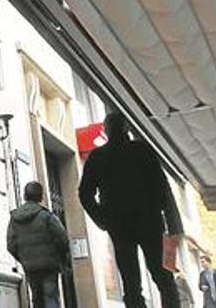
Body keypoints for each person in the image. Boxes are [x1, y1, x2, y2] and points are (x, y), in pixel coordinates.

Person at [78, 111, 184, 308]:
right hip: (150, 222)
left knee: (131, 283)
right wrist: (174, 224)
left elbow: (85, 194)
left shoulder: (98, 157)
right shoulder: (143, 151)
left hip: (119, 226)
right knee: (163, 278)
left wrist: (103, 220)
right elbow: (163, 189)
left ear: (106, 131)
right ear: (126, 128)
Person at [6, 181, 69, 308]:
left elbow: (11, 245)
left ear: (25, 195)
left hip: (30, 267)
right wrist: (59, 256)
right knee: (51, 298)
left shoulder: (15, 218)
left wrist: (24, 258)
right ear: (40, 196)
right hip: (49, 265)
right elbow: (62, 238)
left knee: (37, 300)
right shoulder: (46, 216)